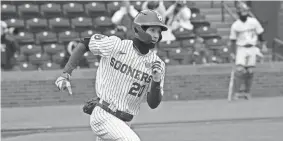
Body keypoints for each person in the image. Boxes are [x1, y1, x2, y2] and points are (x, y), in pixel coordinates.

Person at [55, 10, 167, 141]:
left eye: (159, 31)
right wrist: (66, 73)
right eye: (152, 30)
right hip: (104, 114)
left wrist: (156, 80)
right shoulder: (116, 45)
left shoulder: (158, 64)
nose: (156, 35)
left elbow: (153, 104)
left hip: (124, 122)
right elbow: (85, 43)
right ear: (140, 28)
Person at [229, 5, 266, 100]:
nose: (244, 13)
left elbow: (260, 33)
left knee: (250, 71)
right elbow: (232, 40)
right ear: (239, 13)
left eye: (246, 11)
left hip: (252, 47)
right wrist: (232, 52)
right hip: (241, 48)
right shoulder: (235, 25)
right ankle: (236, 92)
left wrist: (263, 45)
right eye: (242, 12)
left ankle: (247, 92)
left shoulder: (253, 22)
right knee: (240, 70)